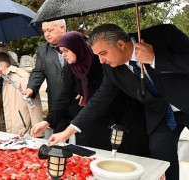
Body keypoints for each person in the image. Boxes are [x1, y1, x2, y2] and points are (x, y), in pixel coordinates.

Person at [47, 24, 189, 180]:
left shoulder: (164, 35)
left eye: (103, 53)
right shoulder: (111, 68)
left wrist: (155, 59)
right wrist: (68, 131)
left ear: (120, 44)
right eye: (97, 55)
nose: (101, 61)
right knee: (161, 157)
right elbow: (99, 99)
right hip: (161, 115)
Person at [31, 31, 149, 157]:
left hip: (122, 115)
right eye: (61, 52)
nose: (63, 55)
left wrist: (88, 95)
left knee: (126, 155)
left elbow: (106, 93)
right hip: (93, 119)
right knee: (96, 156)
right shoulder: (69, 69)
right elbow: (64, 97)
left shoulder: (102, 62)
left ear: (78, 47)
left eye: (66, 50)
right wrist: (47, 122)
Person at [25, 19, 79, 134]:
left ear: (62, 28)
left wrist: (85, 89)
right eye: (44, 31)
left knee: (83, 139)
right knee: (58, 141)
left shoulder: (78, 43)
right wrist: (31, 88)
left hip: (79, 99)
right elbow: (38, 71)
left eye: (50, 30)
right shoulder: (42, 50)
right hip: (57, 100)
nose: (46, 34)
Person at [0, 52, 43, 135]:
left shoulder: (22, 76)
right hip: (7, 129)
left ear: (1, 66)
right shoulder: (2, 79)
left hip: (22, 131)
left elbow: (34, 105)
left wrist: (38, 132)